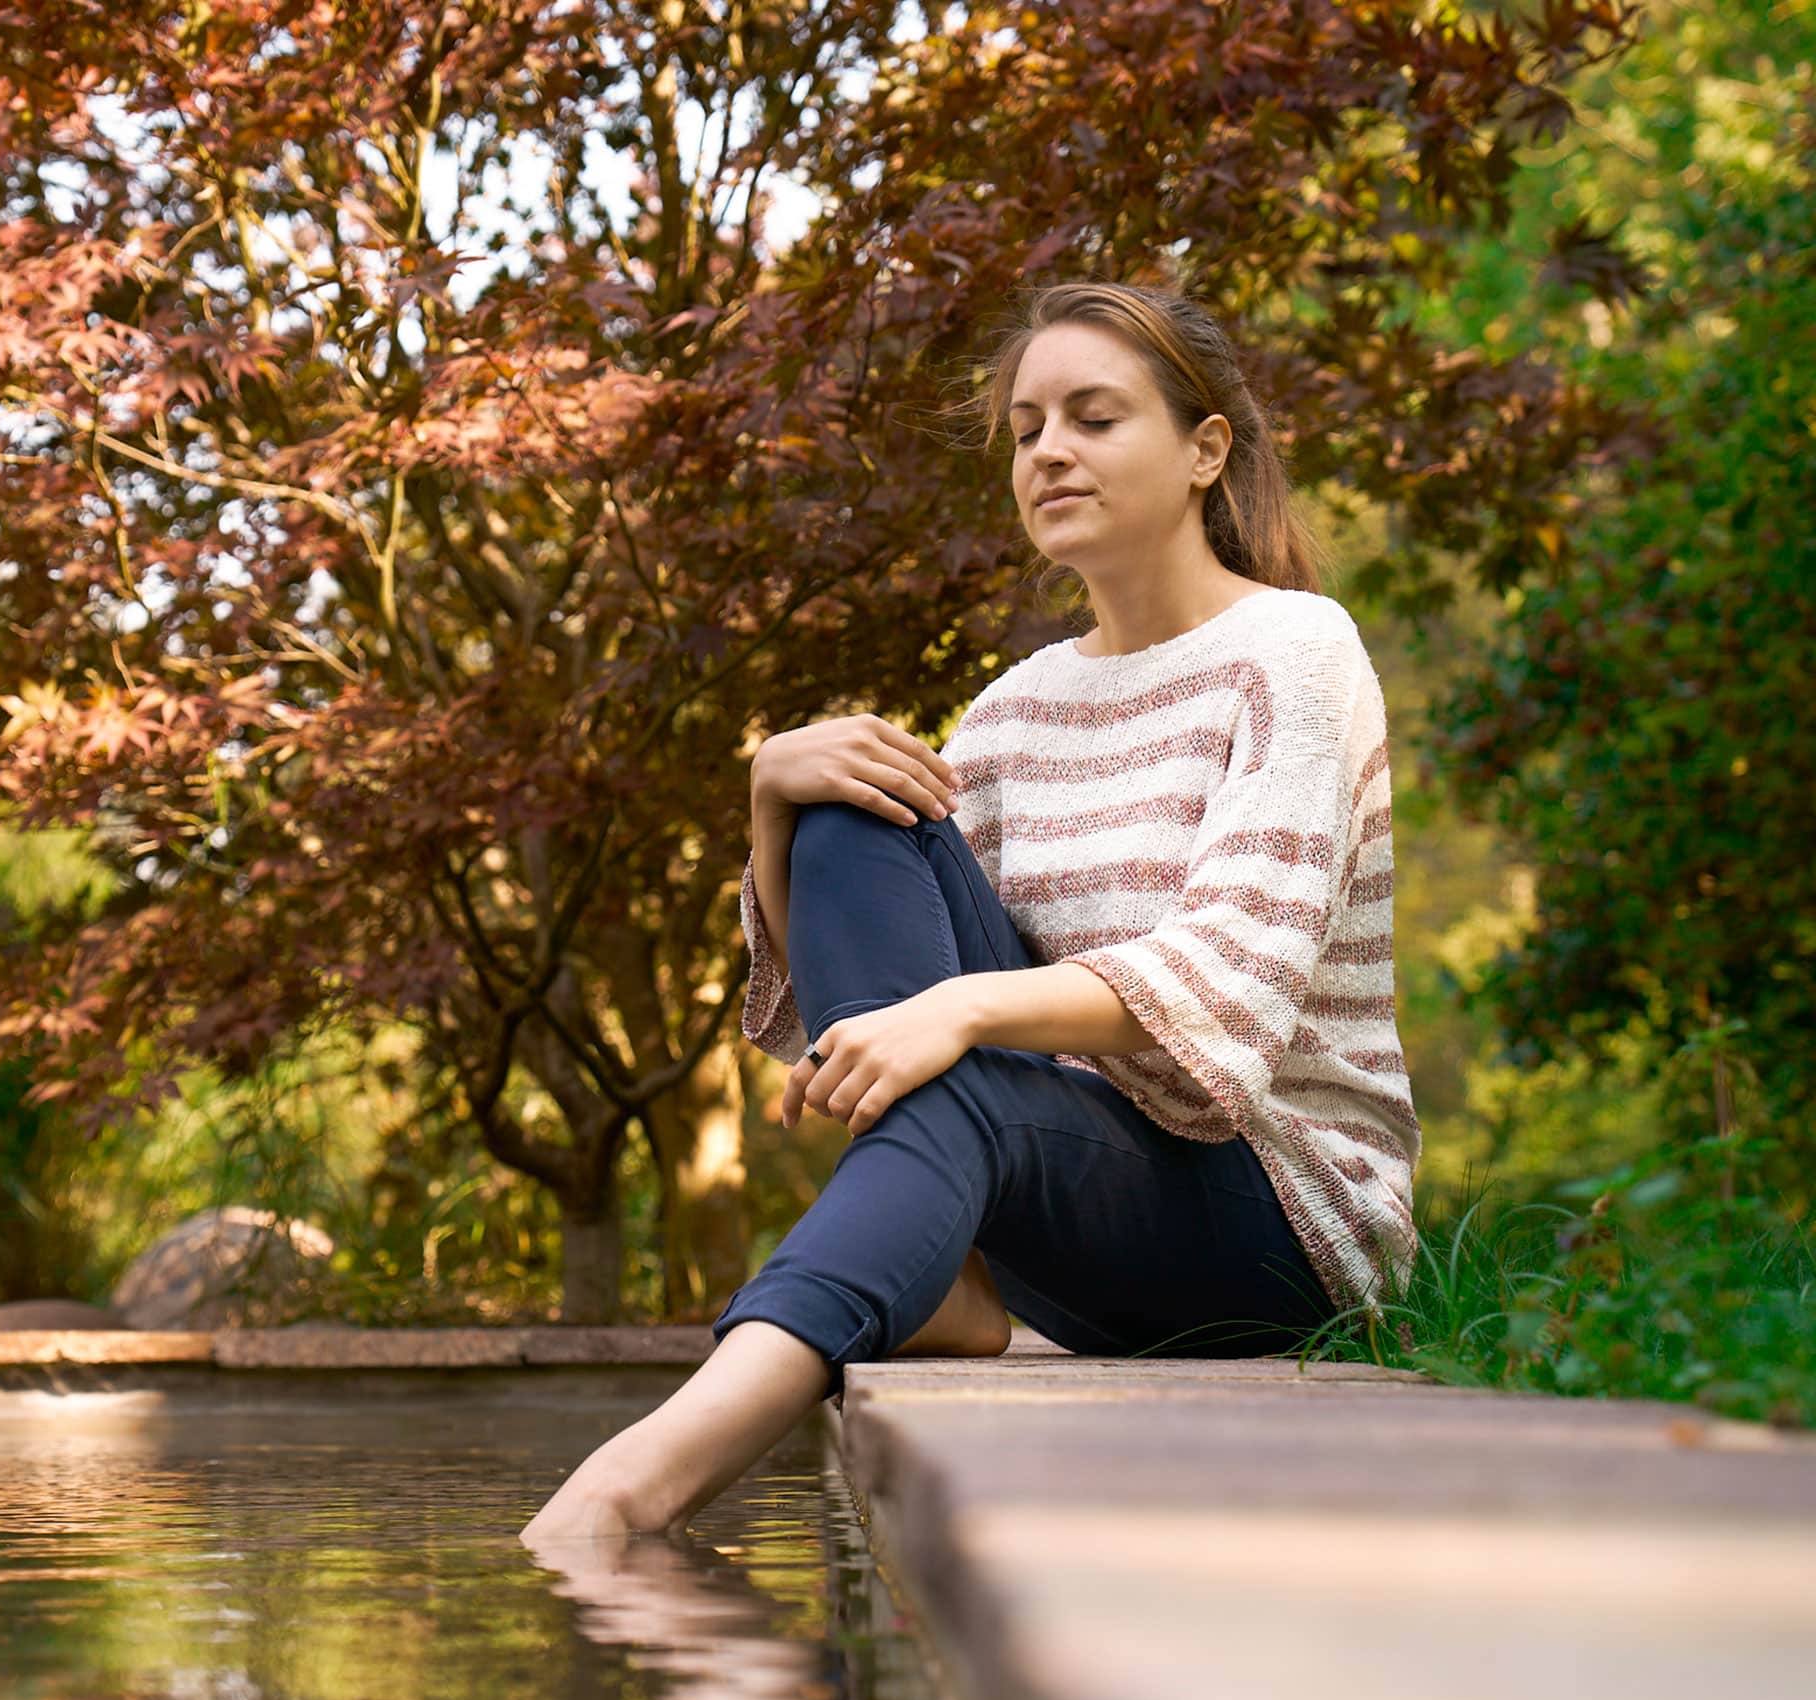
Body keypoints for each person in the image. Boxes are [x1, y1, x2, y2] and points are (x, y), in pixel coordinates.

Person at [522, 280, 1421, 1550]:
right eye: (1025, 426)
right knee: (850, 795)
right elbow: (858, 963)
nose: (1047, 449)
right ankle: (939, 1275)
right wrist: (769, 801)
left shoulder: (1296, 653)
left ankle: (640, 1478)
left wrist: (961, 1010)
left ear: (1204, 450)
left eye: (1094, 418)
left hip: (1277, 1221)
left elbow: (1232, 985)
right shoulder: (1014, 710)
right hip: (1070, 1187)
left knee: (964, 1078)